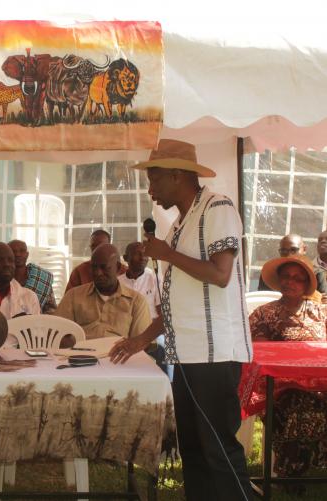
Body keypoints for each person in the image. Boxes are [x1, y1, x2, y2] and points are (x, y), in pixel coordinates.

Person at [109, 139, 254, 501]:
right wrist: (140, 339)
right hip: (185, 354)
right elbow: (176, 301)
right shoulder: (177, 225)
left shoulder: (217, 208)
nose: (150, 188)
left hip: (214, 353)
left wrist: (168, 254)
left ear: (177, 175)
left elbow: (221, 275)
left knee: (218, 451)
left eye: (154, 179)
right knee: (192, 450)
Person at [249, 255, 327, 488]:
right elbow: (262, 355)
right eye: (286, 276)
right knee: (297, 401)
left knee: (313, 401)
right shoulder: (264, 314)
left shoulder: (321, 313)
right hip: (279, 387)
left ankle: (296, 469)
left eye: (297, 278)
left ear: (305, 285)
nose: (290, 282)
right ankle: (291, 472)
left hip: (321, 386)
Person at [56, 243, 150, 345]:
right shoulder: (73, 296)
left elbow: (140, 344)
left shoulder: (136, 302)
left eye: (104, 267)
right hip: (80, 357)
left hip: (118, 358)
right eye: (94, 267)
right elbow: (56, 333)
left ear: (118, 268)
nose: (98, 273)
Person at [118, 242, 169, 376]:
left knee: (162, 349)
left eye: (145, 254)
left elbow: (161, 312)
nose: (143, 258)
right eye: (137, 254)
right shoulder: (118, 282)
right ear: (125, 258)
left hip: (151, 331)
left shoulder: (154, 278)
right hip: (124, 331)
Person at [257, 234, 327, 294]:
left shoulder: (317, 274)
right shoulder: (269, 274)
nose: (289, 254)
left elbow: (323, 303)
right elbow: (261, 299)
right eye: (283, 250)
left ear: (304, 249)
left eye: (293, 250)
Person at [8, 239, 57, 313]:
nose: (18, 254)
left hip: (37, 322)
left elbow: (51, 310)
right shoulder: (2, 278)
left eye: (22, 251)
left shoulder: (41, 277)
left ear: (27, 254)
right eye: (13, 251)